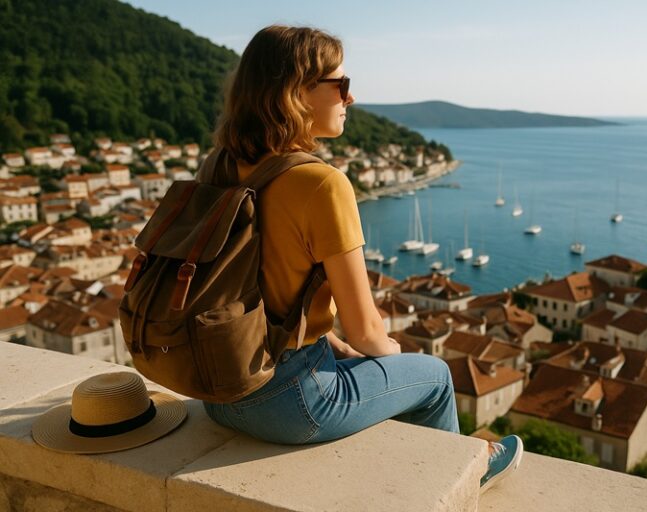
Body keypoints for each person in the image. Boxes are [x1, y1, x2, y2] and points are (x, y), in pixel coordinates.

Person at [200, 24, 522, 490]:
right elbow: (368, 330)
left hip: (218, 391)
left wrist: (336, 348)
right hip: (289, 403)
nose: (350, 98)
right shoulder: (321, 183)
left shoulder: (217, 166)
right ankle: (462, 479)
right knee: (433, 376)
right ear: (298, 92)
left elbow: (258, 295)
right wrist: (391, 361)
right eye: (341, 84)